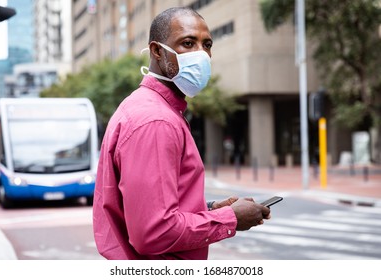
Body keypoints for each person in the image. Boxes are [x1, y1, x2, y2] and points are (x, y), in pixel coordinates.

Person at [93, 7, 271, 260]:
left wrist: (208, 209)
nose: (201, 54)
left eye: (207, 44)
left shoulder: (151, 109)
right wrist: (230, 218)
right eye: (188, 43)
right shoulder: (156, 121)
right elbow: (153, 233)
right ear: (157, 51)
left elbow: (148, 207)